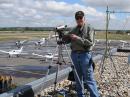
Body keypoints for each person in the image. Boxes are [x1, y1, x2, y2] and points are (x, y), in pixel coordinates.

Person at [63, 11, 99, 97]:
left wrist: (77, 38)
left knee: (89, 78)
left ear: (84, 18)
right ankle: (80, 95)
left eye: (81, 18)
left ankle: (94, 95)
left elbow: (90, 42)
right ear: (75, 19)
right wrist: (63, 36)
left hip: (85, 55)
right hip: (74, 55)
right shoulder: (73, 29)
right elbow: (67, 41)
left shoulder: (89, 28)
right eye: (77, 18)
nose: (79, 20)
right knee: (77, 78)